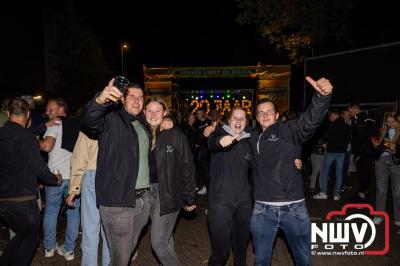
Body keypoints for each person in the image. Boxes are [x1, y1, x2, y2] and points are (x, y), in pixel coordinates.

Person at [81, 79, 172, 265]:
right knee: (120, 259)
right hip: (118, 203)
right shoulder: (111, 119)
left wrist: (168, 119)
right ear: (122, 98)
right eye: (132, 97)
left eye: (140, 97)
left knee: (125, 254)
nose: (137, 101)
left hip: (141, 201)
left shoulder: (141, 123)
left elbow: (156, 117)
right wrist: (100, 100)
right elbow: (89, 121)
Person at [250, 76, 333, 265]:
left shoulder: (288, 130)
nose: (264, 115)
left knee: (303, 258)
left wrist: (321, 97)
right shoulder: (252, 137)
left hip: (293, 208)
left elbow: (309, 121)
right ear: (256, 117)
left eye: (269, 112)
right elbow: (229, 133)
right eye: (260, 113)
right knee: (261, 260)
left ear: (277, 115)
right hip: (263, 209)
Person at [0, 98, 61, 265]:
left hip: (3, 202)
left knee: (21, 235)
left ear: (7, 113)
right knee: (30, 239)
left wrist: (44, 126)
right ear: (28, 115)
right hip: (23, 202)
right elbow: (39, 168)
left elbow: (19, 135)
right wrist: (54, 179)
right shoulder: (27, 138)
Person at [142, 97, 196, 265]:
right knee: (165, 239)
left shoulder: (174, 135)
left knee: (158, 243)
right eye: (149, 110)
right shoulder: (140, 132)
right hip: (144, 193)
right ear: (143, 112)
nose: (153, 114)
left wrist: (189, 197)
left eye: (157, 111)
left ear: (164, 113)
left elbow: (187, 166)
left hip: (167, 193)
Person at [40, 98, 81, 261]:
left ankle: (49, 247)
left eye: (51, 108)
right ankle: (69, 250)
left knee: (51, 210)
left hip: (55, 177)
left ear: (61, 109)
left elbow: (46, 146)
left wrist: (33, 141)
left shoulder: (55, 124)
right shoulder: (77, 125)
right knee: (73, 212)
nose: (47, 112)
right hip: (74, 177)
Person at [65, 131, 110, 266]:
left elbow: (80, 156)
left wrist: (74, 188)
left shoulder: (91, 124)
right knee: (109, 232)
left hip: (93, 171)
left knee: (90, 230)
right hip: (114, 174)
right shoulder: (120, 119)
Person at [313, 109, 351, 201]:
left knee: (325, 171)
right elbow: (349, 139)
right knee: (339, 172)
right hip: (342, 151)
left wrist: (326, 143)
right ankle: (336, 194)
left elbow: (325, 137)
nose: (330, 118)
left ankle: (323, 193)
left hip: (331, 151)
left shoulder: (331, 125)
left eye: (331, 116)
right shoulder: (347, 126)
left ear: (335, 115)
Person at [371, 112, 400, 227]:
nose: (390, 124)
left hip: (396, 163)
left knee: (397, 192)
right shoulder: (383, 131)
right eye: (388, 122)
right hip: (381, 162)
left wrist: (395, 148)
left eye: (393, 121)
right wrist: (376, 145)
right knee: (380, 190)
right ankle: (379, 215)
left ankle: (398, 218)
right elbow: (378, 148)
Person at [347, 103, 378, 202]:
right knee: (361, 173)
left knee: (364, 173)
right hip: (359, 151)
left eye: (350, 111)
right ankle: (362, 193)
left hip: (365, 152)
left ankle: (363, 194)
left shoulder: (366, 119)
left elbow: (370, 135)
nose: (349, 113)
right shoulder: (355, 119)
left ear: (355, 109)